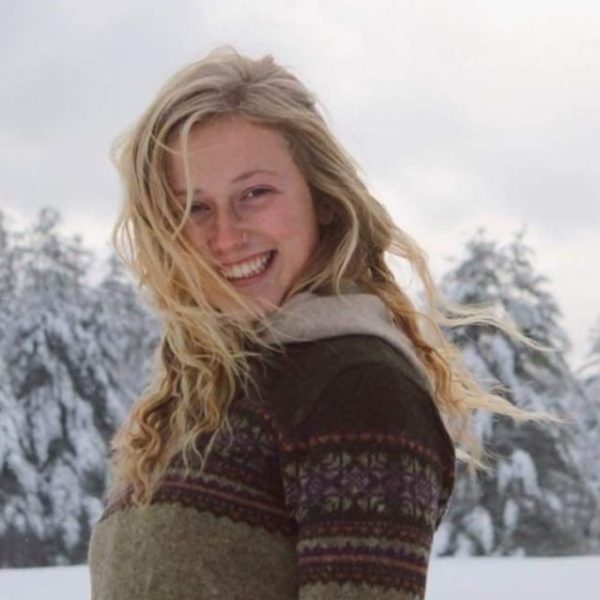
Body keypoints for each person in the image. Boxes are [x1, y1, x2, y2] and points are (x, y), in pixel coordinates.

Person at [88, 46, 549, 599]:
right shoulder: (206, 387)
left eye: (255, 194)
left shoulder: (355, 386)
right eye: (194, 207)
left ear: (322, 199)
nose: (225, 236)